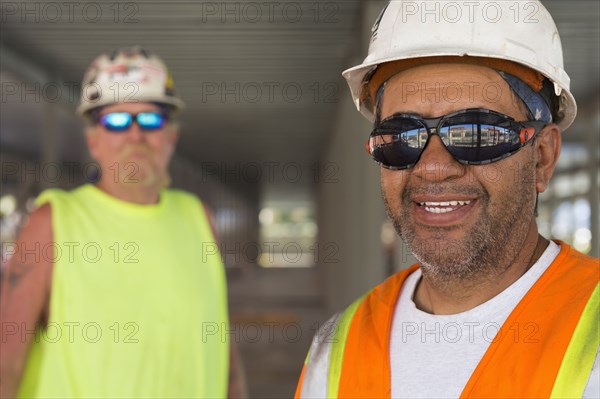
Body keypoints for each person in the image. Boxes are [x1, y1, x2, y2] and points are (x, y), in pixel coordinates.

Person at [295, 1, 599, 397]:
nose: (433, 167)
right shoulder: (337, 346)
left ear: (542, 158)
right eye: (403, 137)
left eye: (475, 132)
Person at [0, 47, 246, 398]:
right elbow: (6, 362)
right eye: (116, 121)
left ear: (171, 136)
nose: (135, 135)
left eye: (150, 120)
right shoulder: (53, 222)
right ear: (93, 139)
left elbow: (223, 349)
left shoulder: (199, 218)